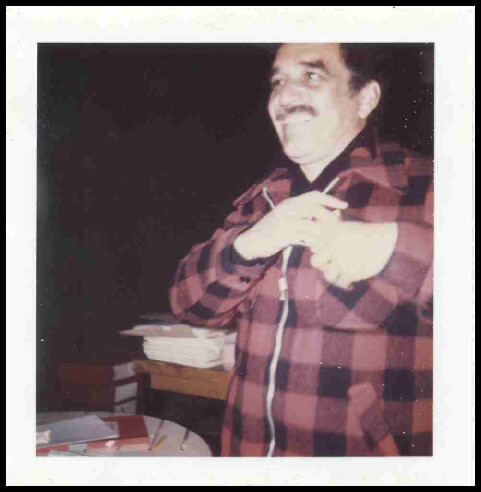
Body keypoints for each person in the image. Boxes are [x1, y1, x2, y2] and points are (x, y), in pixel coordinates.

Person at [169, 43, 433, 457]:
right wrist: (250, 244)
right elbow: (188, 303)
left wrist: (398, 250)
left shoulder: (429, 186)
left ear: (365, 98)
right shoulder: (260, 200)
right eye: (278, 82)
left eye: (311, 76)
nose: (285, 96)